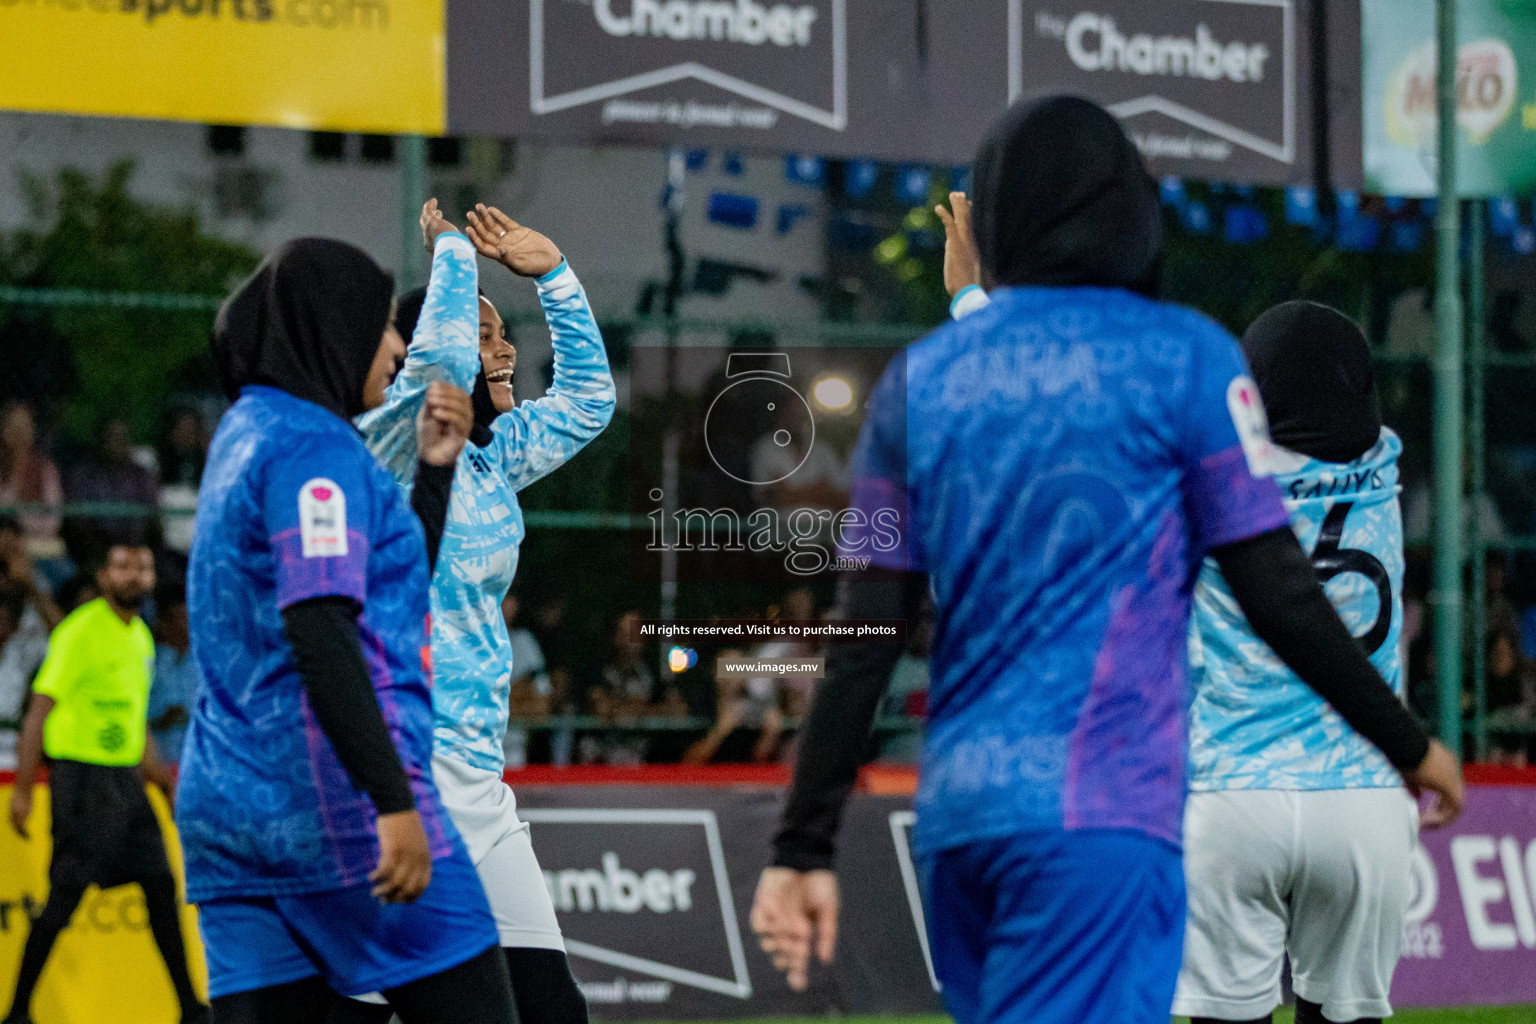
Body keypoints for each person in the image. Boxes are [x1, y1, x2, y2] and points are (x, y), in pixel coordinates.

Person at [748, 96, 1463, 1024]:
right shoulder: (1190, 363)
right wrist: (1409, 744)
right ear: (1131, 207)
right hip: (1102, 815)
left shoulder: (919, 382)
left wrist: (804, 843)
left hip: (960, 821)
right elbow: (1279, 590)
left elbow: (865, 631)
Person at [177, 232, 515, 1024]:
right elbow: (322, 625)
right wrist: (391, 802)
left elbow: (371, 593)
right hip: (332, 804)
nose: (397, 347)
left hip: (228, 810)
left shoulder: (245, 432)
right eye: (382, 325)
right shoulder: (313, 450)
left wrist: (435, 472)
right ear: (335, 328)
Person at [353, 200, 613, 1024]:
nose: (503, 352)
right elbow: (438, 360)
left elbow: (586, 402)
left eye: (505, 337)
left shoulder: (494, 460)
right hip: (393, 779)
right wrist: (454, 259)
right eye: (487, 336)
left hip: (479, 784)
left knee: (552, 1013)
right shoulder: (388, 451)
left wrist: (557, 277)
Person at [1172, 301, 1435, 1024]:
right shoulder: (1383, 463)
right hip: (1363, 802)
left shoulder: (1209, 485)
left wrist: (978, 304)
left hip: (1232, 800)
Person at [4, 543, 205, 1024]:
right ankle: (16, 1011)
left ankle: (190, 1008)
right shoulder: (80, 631)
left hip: (126, 783)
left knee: (160, 886)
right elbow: (38, 712)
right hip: (82, 780)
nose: (134, 576)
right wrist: (25, 788)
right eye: (122, 567)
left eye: (143, 567)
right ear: (102, 576)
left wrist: (161, 783)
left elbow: (136, 727)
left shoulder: (139, 637)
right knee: (64, 897)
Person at [0, 516, 62, 770]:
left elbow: (64, 638)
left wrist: (28, 582)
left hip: (18, 738)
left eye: (13, 549)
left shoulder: (34, 585)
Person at [64, 414, 160, 555]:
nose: (116, 443)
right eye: (111, 437)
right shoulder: (81, 476)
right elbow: (76, 523)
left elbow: (152, 521)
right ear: (100, 439)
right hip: (93, 554)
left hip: (135, 550)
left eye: (121, 437)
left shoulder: (142, 477)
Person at [0, 401, 69, 591]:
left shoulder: (45, 469)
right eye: (12, 427)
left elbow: (53, 520)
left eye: (24, 427)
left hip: (38, 550)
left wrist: (21, 519)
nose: (18, 434)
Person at [147, 587, 200, 764]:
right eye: (180, 618)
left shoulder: (201, 664)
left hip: (193, 762)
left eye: (188, 617)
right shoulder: (149, 661)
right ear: (163, 622)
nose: (186, 624)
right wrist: (162, 720)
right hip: (158, 762)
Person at [157, 407, 209, 558]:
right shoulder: (154, 463)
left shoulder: (211, 469)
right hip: (168, 549)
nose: (186, 436)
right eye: (181, 429)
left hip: (201, 550)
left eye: (192, 430)